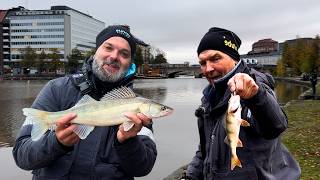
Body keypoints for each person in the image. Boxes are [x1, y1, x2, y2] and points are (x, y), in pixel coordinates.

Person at [12, 25, 157, 180]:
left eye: (124, 54)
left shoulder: (138, 107)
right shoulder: (56, 89)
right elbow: (22, 155)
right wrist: (57, 142)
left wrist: (128, 142)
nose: (114, 56)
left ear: (130, 63)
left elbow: (143, 168)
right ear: (96, 52)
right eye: (108, 48)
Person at [185, 27, 301, 179]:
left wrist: (256, 96)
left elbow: (274, 127)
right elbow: (206, 148)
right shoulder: (209, 99)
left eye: (215, 59)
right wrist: (189, 176)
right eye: (202, 62)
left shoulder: (253, 86)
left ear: (234, 59)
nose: (208, 68)